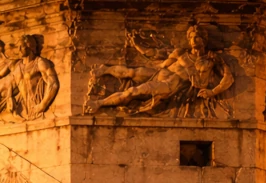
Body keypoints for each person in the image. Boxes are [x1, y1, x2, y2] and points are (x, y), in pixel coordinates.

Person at [85, 25, 233, 115]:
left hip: (171, 84)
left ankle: (99, 103)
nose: (195, 41)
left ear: (204, 40)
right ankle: (105, 69)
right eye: (192, 38)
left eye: (198, 38)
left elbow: (228, 77)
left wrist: (212, 92)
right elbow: (157, 57)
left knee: (133, 91)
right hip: (161, 73)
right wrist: (137, 45)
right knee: (131, 72)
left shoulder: (212, 59)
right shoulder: (181, 52)